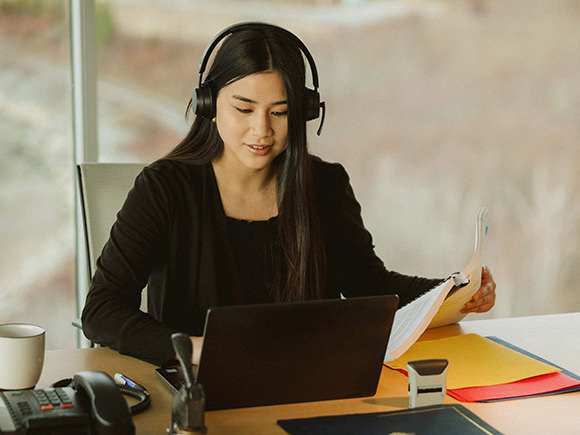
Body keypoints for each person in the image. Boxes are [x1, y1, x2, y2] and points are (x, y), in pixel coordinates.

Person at [81, 23, 496, 367]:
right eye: (243, 110)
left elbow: (370, 285)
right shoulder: (165, 190)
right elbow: (102, 310)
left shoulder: (325, 187)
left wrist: (455, 289)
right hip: (200, 385)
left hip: (309, 380)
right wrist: (196, 350)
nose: (261, 130)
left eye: (279, 112)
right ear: (209, 104)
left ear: (302, 111)